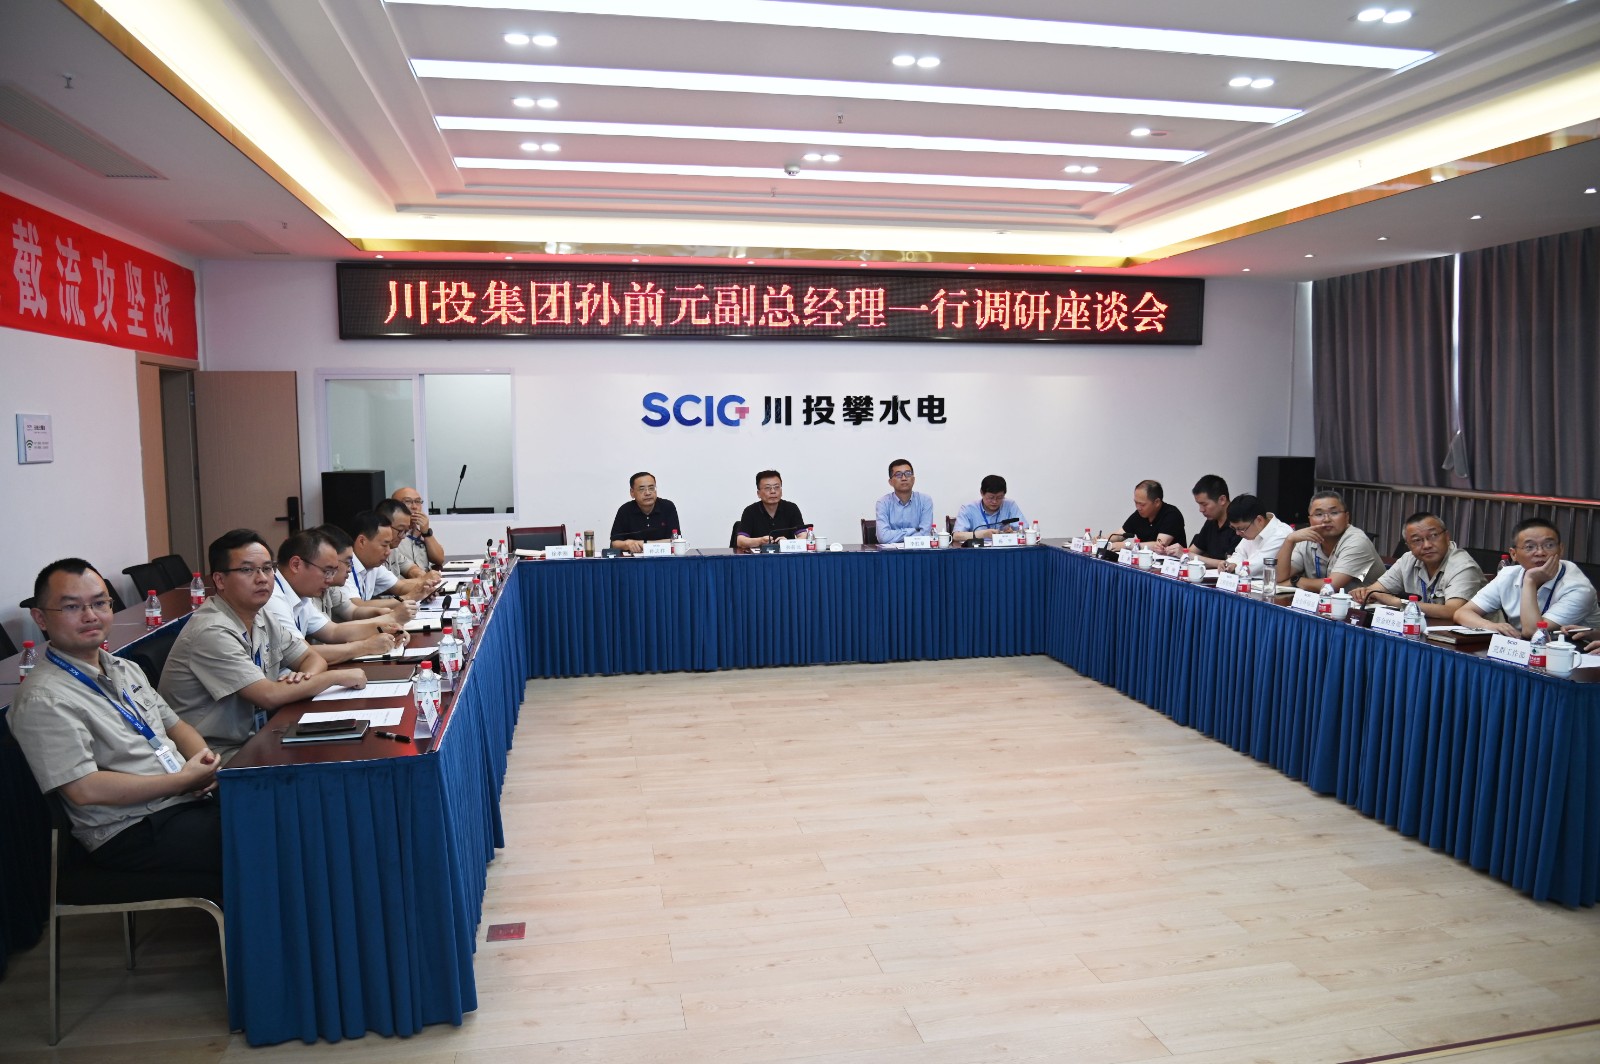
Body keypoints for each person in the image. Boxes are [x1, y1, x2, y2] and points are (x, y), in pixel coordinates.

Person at [8, 559, 223, 897]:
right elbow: (84, 789)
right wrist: (182, 780)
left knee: (276, 811)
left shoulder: (124, 668)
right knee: (260, 836)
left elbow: (176, 725)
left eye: (99, 603)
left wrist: (205, 763)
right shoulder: (43, 698)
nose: (90, 615)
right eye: (72, 607)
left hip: (183, 801)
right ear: (40, 618)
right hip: (132, 830)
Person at [159, 529, 366, 762]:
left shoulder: (261, 616)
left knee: (345, 747)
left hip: (260, 736)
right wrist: (334, 678)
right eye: (247, 570)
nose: (262, 578)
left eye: (267, 568)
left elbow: (312, 658)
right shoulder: (212, 630)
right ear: (219, 580)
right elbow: (268, 696)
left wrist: (304, 678)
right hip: (216, 755)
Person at [268, 528, 407, 663]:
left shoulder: (301, 594)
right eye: (326, 571)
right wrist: (364, 647)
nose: (330, 580)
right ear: (296, 565)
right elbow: (302, 653)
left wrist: (385, 628)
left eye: (333, 572)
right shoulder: (273, 598)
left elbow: (333, 631)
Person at [1455, 517, 1600, 637]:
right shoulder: (1508, 575)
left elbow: (1534, 632)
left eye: (1549, 545)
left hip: (1577, 654)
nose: (1540, 553)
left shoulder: (1578, 588)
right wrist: (1490, 626)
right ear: (1514, 554)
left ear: (1561, 549)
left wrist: (1530, 580)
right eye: (1530, 547)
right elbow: (1462, 613)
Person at [1350, 512, 1486, 621]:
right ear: (1408, 546)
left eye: (1433, 536)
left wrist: (1397, 602)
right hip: (1425, 630)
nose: (1427, 545)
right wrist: (1364, 593)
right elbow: (1375, 590)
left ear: (1447, 536)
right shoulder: (1408, 559)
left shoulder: (1463, 567)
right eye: (1417, 540)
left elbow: (1453, 611)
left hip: (1473, 640)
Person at [1275, 491, 1384, 591]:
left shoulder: (1357, 541)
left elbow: (1331, 586)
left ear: (1347, 517)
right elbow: (1278, 577)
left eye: (1334, 513)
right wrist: (1289, 540)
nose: (1326, 519)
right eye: (1319, 514)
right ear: (1310, 520)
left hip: (1366, 605)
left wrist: (1296, 581)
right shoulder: (1307, 538)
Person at [317, 524, 413, 622]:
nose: (349, 569)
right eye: (347, 562)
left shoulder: (332, 588)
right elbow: (332, 630)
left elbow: (353, 612)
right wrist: (390, 618)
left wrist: (382, 613)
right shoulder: (309, 599)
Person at [1160, 474, 1240, 565]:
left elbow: (1230, 564)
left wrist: (1187, 555)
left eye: (1204, 504)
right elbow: (1191, 551)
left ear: (1222, 500)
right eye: (1199, 504)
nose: (1201, 510)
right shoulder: (1211, 521)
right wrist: (1172, 551)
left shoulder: (1239, 525)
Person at [377, 499, 443, 598]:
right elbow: (394, 586)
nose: (403, 536)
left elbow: (410, 568)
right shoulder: (372, 553)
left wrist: (423, 579)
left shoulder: (393, 549)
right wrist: (423, 582)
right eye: (400, 530)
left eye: (418, 501)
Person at [610, 471, 682, 552]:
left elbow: (676, 540)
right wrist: (627, 544)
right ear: (632, 492)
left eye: (651, 488)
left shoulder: (667, 507)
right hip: (633, 558)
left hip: (663, 557)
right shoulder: (625, 510)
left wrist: (644, 544)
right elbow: (614, 542)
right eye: (642, 489)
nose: (648, 493)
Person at [735, 470, 807, 549]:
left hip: (785, 555)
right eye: (767, 488)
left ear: (781, 491)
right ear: (758, 493)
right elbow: (740, 541)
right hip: (759, 556)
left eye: (776, 487)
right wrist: (760, 541)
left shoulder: (791, 508)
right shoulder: (750, 511)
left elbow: (803, 536)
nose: (773, 491)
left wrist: (787, 543)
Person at [1224, 494, 1293, 576]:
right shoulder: (1251, 530)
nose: (1237, 533)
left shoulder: (1282, 534)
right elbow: (1239, 554)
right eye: (1234, 528)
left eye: (1241, 529)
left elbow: (1253, 567)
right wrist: (1228, 564)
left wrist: (1234, 567)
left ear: (1259, 520)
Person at [1109, 480, 1186, 549]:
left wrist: (1127, 545)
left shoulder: (1172, 514)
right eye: (1136, 502)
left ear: (1157, 502)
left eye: (1142, 504)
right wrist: (1104, 540)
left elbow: (1159, 545)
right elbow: (1119, 535)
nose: (1138, 508)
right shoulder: (1139, 514)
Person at [875, 458, 935, 544]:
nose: (904, 478)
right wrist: (914, 530)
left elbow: (925, 534)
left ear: (913, 479)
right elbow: (883, 537)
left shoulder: (925, 500)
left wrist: (896, 536)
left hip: (917, 551)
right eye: (898, 475)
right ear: (890, 482)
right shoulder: (883, 503)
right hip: (891, 552)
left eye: (908, 474)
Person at [953, 475, 1026, 544]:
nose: (995, 501)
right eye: (991, 497)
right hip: (978, 550)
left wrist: (1013, 534)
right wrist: (983, 534)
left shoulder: (1010, 505)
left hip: (1004, 550)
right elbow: (956, 536)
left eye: (999, 497)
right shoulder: (968, 508)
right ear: (982, 493)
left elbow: (1025, 531)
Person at [393, 485, 445, 569]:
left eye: (418, 501)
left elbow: (439, 560)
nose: (414, 507)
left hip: (426, 576)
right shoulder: (392, 533)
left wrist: (426, 533)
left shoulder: (420, 531)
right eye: (408, 501)